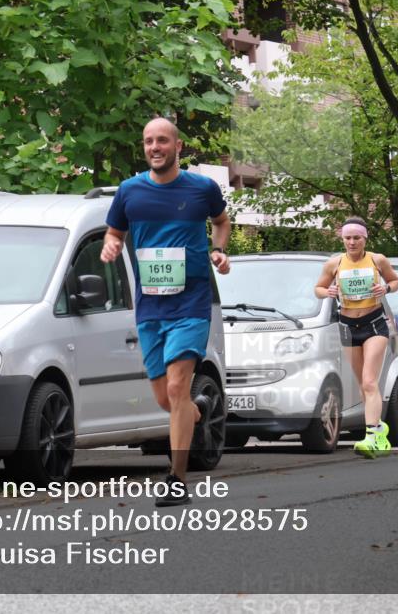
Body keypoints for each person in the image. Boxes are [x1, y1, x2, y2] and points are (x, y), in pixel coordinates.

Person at [101, 116, 230, 506]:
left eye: (161, 141)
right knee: (164, 397)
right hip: (150, 307)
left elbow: (221, 222)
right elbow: (115, 232)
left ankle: (176, 478)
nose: (154, 147)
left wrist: (220, 250)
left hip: (192, 302)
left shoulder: (201, 188)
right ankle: (197, 410)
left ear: (178, 147)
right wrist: (110, 246)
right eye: (147, 142)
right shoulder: (129, 191)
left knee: (177, 388)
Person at [314, 217, 398, 458]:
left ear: (365, 238)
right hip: (348, 324)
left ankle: (372, 436)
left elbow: (395, 280)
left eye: (356, 238)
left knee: (370, 381)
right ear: (342, 239)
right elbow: (318, 289)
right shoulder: (334, 264)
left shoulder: (377, 259)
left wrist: (386, 288)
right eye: (347, 238)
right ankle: (380, 430)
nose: (352, 242)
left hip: (374, 323)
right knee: (363, 384)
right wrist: (328, 292)